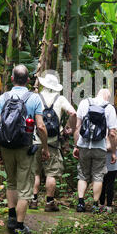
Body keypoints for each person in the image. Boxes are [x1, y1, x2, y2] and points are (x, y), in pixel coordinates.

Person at [0, 65, 49, 234]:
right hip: (25, 147)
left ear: (12, 79)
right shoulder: (34, 98)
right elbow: (40, 126)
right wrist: (45, 147)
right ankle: (19, 226)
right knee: (25, 187)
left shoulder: (4, 97)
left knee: (11, 182)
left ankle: (11, 216)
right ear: (28, 80)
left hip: (6, 146)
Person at [30, 73, 76, 212]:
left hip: (36, 140)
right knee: (51, 173)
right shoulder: (60, 98)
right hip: (53, 143)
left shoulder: (35, 97)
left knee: (35, 173)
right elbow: (73, 113)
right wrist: (69, 128)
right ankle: (49, 203)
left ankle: (33, 200)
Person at [73, 89, 117, 213]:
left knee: (82, 174)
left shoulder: (84, 103)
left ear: (97, 94)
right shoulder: (109, 108)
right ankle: (94, 204)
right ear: (107, 97)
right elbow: (113, 133)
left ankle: (80, 203)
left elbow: (77, 127)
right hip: (100, 147)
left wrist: (76, 146)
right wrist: (113, 151)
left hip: (84, 145)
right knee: (98, 175)